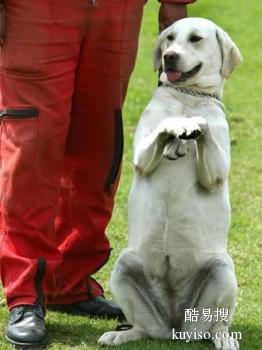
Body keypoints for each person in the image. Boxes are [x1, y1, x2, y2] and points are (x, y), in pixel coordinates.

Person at [0, 0, 196, 347]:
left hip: (116, 9)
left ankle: (70, 282)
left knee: (100, 147)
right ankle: (25, 293)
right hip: (34, 10)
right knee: (31, 149)